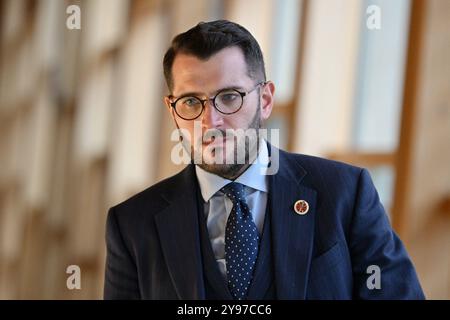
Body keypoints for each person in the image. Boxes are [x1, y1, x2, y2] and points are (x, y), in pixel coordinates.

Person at [103, 20, 424, 300]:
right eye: (190, 102)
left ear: (266, 100)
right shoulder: (132, 226)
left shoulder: (345, 195)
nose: (210, 121)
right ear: (172, 109)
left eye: (229, 97)